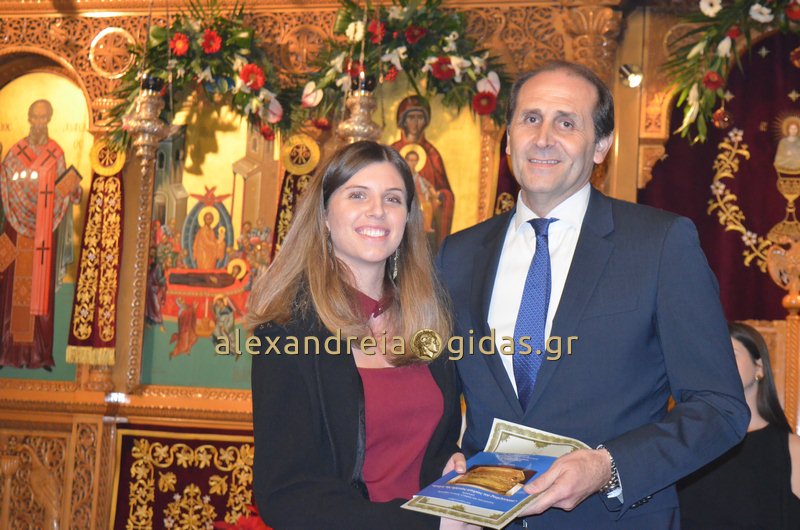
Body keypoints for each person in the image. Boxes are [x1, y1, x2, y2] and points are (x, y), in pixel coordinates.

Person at [436, 61, 749, 528]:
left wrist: (608, 467)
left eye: (566, 123)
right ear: (509, 138)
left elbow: (719, 408)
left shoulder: (659, 244)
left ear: (601, 146)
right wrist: (444, 455)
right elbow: (434, 397)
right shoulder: (457, 255)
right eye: (530, 118)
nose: (543, 138)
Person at [247, 141, 463, 529]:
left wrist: (450, 462)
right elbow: (286, 495)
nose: (377, 210)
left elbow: (428, 444)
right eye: (358, 195)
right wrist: (426, 524)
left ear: (407, 219)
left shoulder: (431, 321)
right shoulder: (285, 335)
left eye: (393, 198)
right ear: (324, 216)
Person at [678, 322, 800, 529]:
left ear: (759, 367)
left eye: (731, 354)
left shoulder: (791, 449)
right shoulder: (685, 443)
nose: (720, 364)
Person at [0, 99, 80, 369]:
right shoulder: (16, 152)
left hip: (45, 230)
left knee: (41, 290)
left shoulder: (55, 153)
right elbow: (4, 180)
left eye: (44, 117)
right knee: (11, 288)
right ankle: (7, 351)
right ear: (28, 118)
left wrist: (74, 190)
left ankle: (40, 353)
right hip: (16, 227)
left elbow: (62, 190)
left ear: (49, 119)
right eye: (35, 117)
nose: (39, 122)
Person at [391, 95, 454, 250]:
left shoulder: (432, 155)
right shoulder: (393, 151)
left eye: (420, 117)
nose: (415, 123)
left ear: (425, 121)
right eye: (411, 117)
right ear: (403, 120)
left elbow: (445, 192)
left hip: (424, 221)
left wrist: (439, 196)